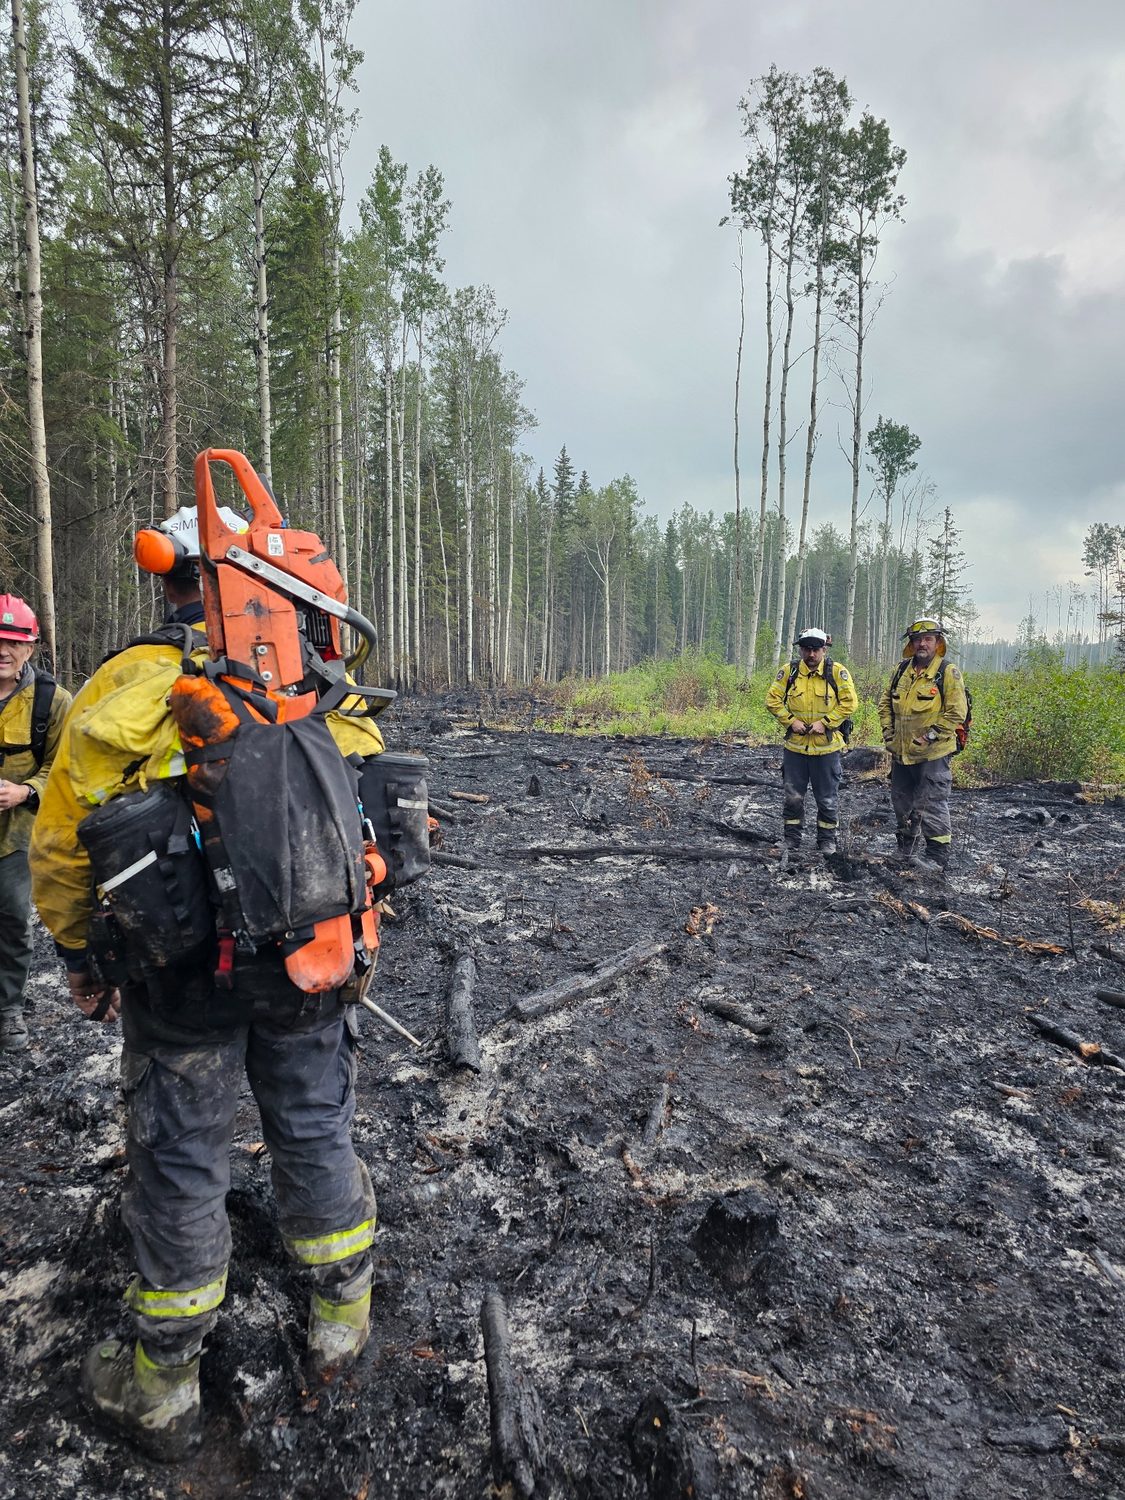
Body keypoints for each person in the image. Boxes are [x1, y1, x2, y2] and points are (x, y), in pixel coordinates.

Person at [30, 506, 387, 1461]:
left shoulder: (132, 684)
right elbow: (365, 832)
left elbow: (64, 838)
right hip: (312, 964)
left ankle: (162, 1385)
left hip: (181, 977)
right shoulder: (320, 686)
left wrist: (77, 954)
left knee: (183, 1154)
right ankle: (341, 1322)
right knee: (314, 1121)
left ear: (172, 579)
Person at [0, 594, 71, 1052]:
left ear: (31, 646)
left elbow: (62, 767)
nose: (3, 650)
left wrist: (25, 792)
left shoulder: (52, 701)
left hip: (16, 836)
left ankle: (7, 1010)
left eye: (13, 641)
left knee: (11, 920)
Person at [878, 615, 969, 870]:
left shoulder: (947, 672)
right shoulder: (901, 670)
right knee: (901, 803)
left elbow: (956, 713)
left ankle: (936, 858)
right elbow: (885, 703)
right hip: (902, 752)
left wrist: (930, 736)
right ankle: (905, 853)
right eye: (917, 639)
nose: (922, 644)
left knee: (931, 804)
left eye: (928, 639)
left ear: (937, 642)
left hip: (933, 754)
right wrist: (888, 732)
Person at [765, 627, 858, 856]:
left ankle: (826, 841)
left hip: (826, 749)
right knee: (793, 797)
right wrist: (790, 721)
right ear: (801, 649)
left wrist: (825, 723)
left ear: (824, 649)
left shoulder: (836, 672)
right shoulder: (789, 672)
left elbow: (850, 703)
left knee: (826, 798)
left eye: (816, 649)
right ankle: (791, 839)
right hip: (795, 748)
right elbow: (772, 700)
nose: (811, 654)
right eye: (806, 649)